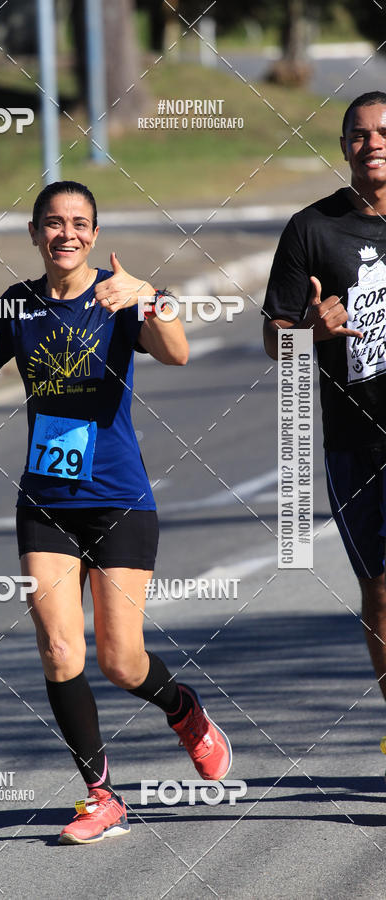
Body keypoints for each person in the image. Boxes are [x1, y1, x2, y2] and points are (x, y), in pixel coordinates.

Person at [0, 180, 232, 844]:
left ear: (93, 235)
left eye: (79, 223)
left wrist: (149, 296)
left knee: (122, 662)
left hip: (119, 499)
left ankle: (185, 712)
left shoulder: (120, 296)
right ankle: (101, 796)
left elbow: (177, 350)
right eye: (53, 223)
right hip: (45, 502)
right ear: (36, 234)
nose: (66, 233)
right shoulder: (19, 304)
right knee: (59, 648)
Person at [262, 92, 386, 738]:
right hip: (353, 443)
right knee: (381, 596)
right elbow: (274, 343)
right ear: (343, 149)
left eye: (383, 132)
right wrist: (310, 331)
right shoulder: (311, 231)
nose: (373, 144)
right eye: (359, 135)